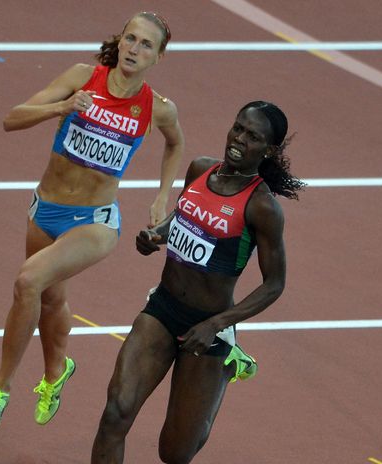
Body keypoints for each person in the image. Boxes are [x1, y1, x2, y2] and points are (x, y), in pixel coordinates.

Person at [0, 11, 185, 429]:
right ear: (120, 40)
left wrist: (163, 195)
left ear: (158, 56)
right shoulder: (82, 77)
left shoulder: (157, 108)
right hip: (45, 209)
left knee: (28, 281)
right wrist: (63, 106)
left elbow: (175, 144)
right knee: (50, 299)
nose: (135, 49)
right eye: (131, 39)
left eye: (146, 45)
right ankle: (57, 372)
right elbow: (12, 118)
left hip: (95, 221)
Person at [91, 101, 303, 464]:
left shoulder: (262, 207)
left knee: (174, 453)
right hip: (162, 309)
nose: (239, 139)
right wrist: (157, 235)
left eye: (252, 136)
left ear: (268, 150)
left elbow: (274, 284)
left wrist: (217, 324)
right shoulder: (201, 169)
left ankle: (229, 363)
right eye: (238, 128)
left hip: (208, 329)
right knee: (115, 413)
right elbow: (183, 214)